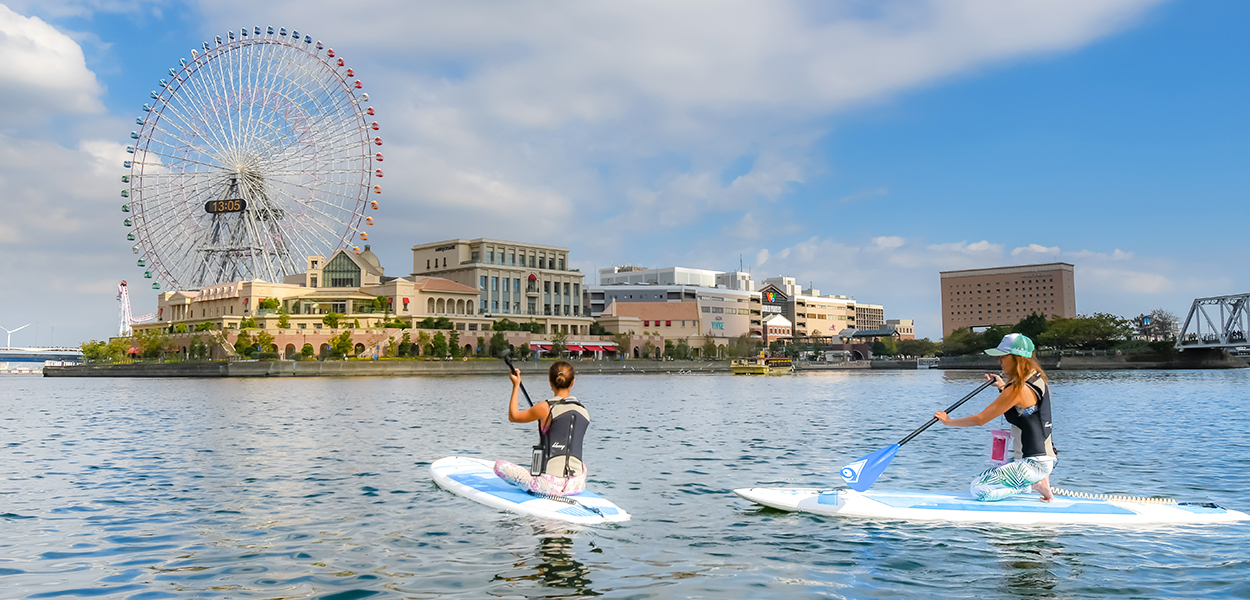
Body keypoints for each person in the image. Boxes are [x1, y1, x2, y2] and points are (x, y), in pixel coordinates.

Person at [935, 333, 1057, 502]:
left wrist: (948, 421)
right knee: (989, 480)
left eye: (1002, 357)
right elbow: (1024, 408)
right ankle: (1036, 483)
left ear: (1016, 358)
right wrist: (1002, 386)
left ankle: (1030, 486)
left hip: (1034, 464)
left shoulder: (1016, 389)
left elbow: (980, 419)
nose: (999, 362)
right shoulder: (1037, 378)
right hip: (1042, 459)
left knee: (978, 488)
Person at [494, 361, 590, 496]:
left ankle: (538, 482)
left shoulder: (544, 407)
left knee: (499, 466)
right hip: (577, 484)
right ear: (572, 382)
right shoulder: (584, 411)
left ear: (550, 383)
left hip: (548, 486)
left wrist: (516, 385)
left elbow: (513, 416)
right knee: (581, 466)